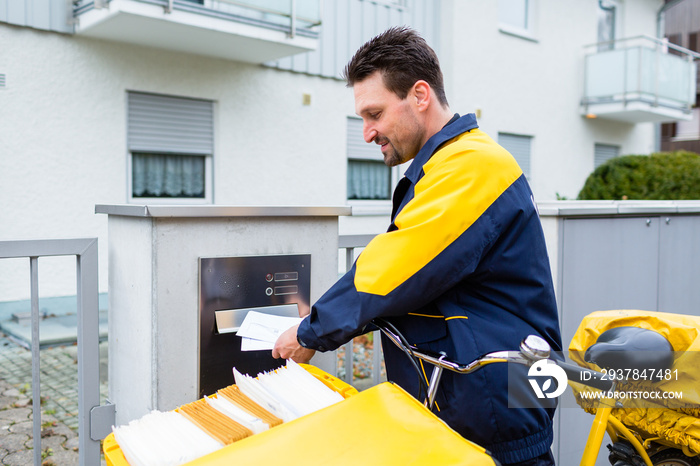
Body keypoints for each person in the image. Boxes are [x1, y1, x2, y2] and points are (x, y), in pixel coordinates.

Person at [273, 26, 562, 466]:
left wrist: (312, 331)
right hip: (482, 397)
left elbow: (396, 269)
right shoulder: (449, 165)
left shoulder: (473, 166)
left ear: (420, 95)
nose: (367, 133)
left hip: (495, 410)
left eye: (374, 114)